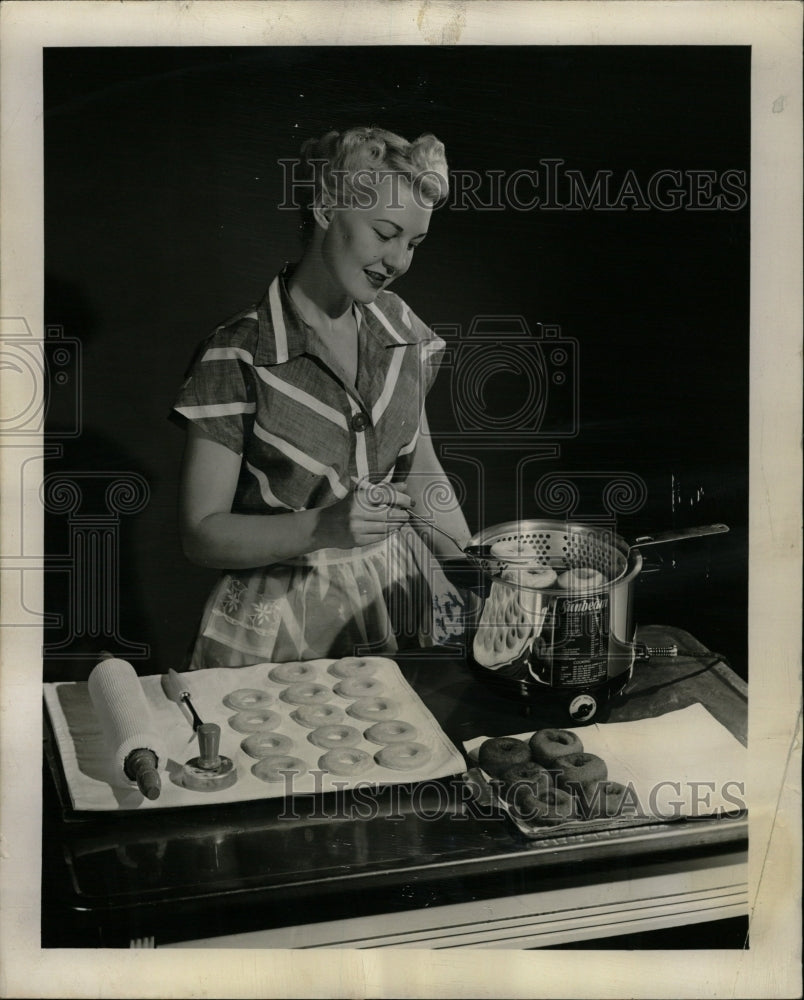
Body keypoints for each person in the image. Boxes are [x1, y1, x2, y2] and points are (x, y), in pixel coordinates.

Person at [171, 126, 472, 668]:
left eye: (413, 243)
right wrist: (323, 527)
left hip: (398, 593)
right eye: (385, 233)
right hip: (284, 620)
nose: (399, 260)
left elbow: (422, 475)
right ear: (327, 208)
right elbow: (201, 534)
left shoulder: (402, 328)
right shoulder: (237, 354)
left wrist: (480, 574)